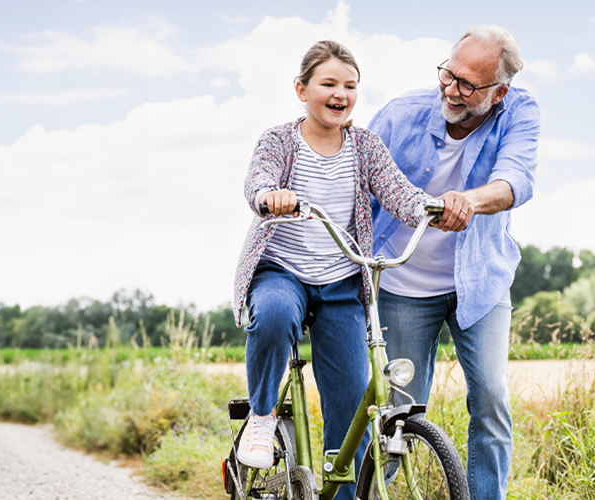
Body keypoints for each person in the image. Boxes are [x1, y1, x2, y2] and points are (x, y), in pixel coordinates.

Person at [229, 40, 470, 499]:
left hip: (342, 281)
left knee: (353, 397)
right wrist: (269, 196)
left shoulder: (364, 145)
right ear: (302, 90)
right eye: (329, 84)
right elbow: (259, 179)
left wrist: (431, 209)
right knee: (274, 314)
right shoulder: (278, 141)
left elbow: (397, 191)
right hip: (283, 271)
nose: (341, 94)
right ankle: (261, 417)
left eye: (350, 86)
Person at [366, 25, 538, 499]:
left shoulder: (519, 112)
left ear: (499, 92)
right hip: (402, 283)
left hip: (479, 281)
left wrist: (468, 201)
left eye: (468, 84)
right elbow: (354, 181)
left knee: (491, 398)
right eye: (448, 74)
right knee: (398, 409)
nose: (452, 90)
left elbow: (516, 179)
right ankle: (372, 492)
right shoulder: (400, 114)